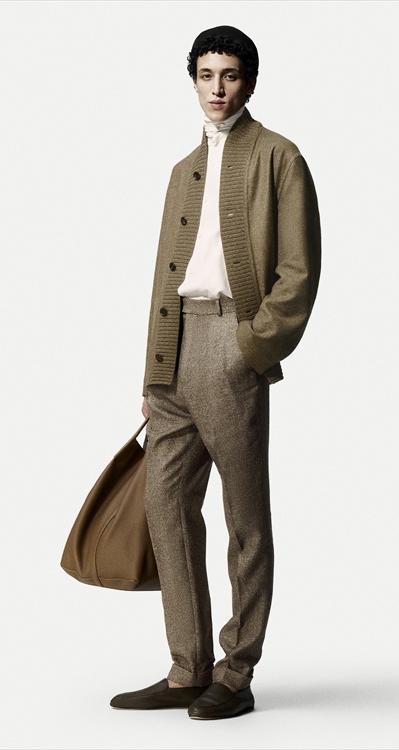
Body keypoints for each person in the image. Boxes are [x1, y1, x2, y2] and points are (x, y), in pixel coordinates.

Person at [110, 25, 321, 720]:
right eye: (206, 75)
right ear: (194, 81)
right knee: (165, 506)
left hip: (233, 343)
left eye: (229, 75)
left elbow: (299, 272)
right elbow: (164, 277)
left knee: (243, 518)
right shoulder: (183, 170)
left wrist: (251, 347)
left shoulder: (280, 157)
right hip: (175, 350)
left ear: (248, 81)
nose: (217, 88)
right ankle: (186, 667)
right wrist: (152, 373)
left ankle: (237, 670)